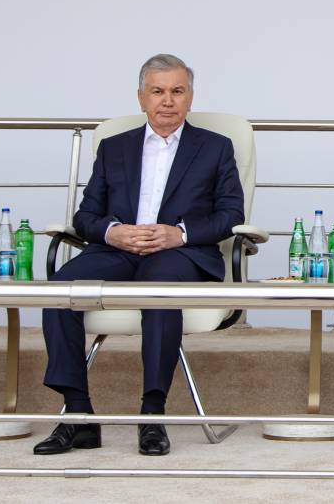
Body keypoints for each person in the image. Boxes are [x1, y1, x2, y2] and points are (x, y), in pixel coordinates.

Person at [35, 53, 244, 457]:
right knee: (61, 289)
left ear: (190, 97)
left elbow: (231, 214)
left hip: (180, 254)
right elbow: (85, 216)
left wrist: (179, 234)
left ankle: (152, 413)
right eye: (157, 91)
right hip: (119, 251)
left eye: (177, 91)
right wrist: (113, 232)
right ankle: (78, 414)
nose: (167, 100)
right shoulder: (114, 148)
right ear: (141, 98)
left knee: (158, 287)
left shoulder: (215, 147)